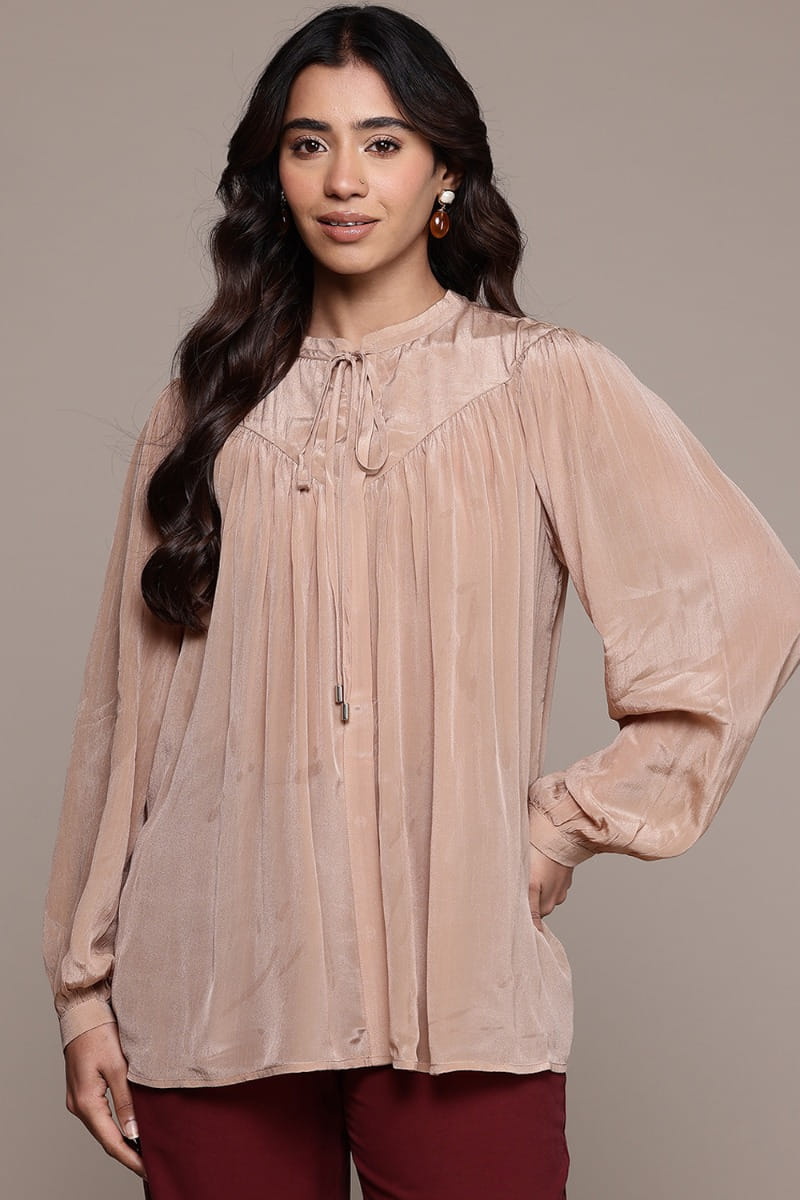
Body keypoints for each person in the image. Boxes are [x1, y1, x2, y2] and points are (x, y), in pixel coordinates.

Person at [41, 5, 800, 1199]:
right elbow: (124, 715)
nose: (344, 180)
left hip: (459, 995)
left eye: (383, 143)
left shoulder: (540, 382)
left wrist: (557, 829)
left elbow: (742, 607)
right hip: (210, 987)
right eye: (308, 144)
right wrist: (85, 992)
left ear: (444, 170)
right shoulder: (203, 407)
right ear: (272, 175)